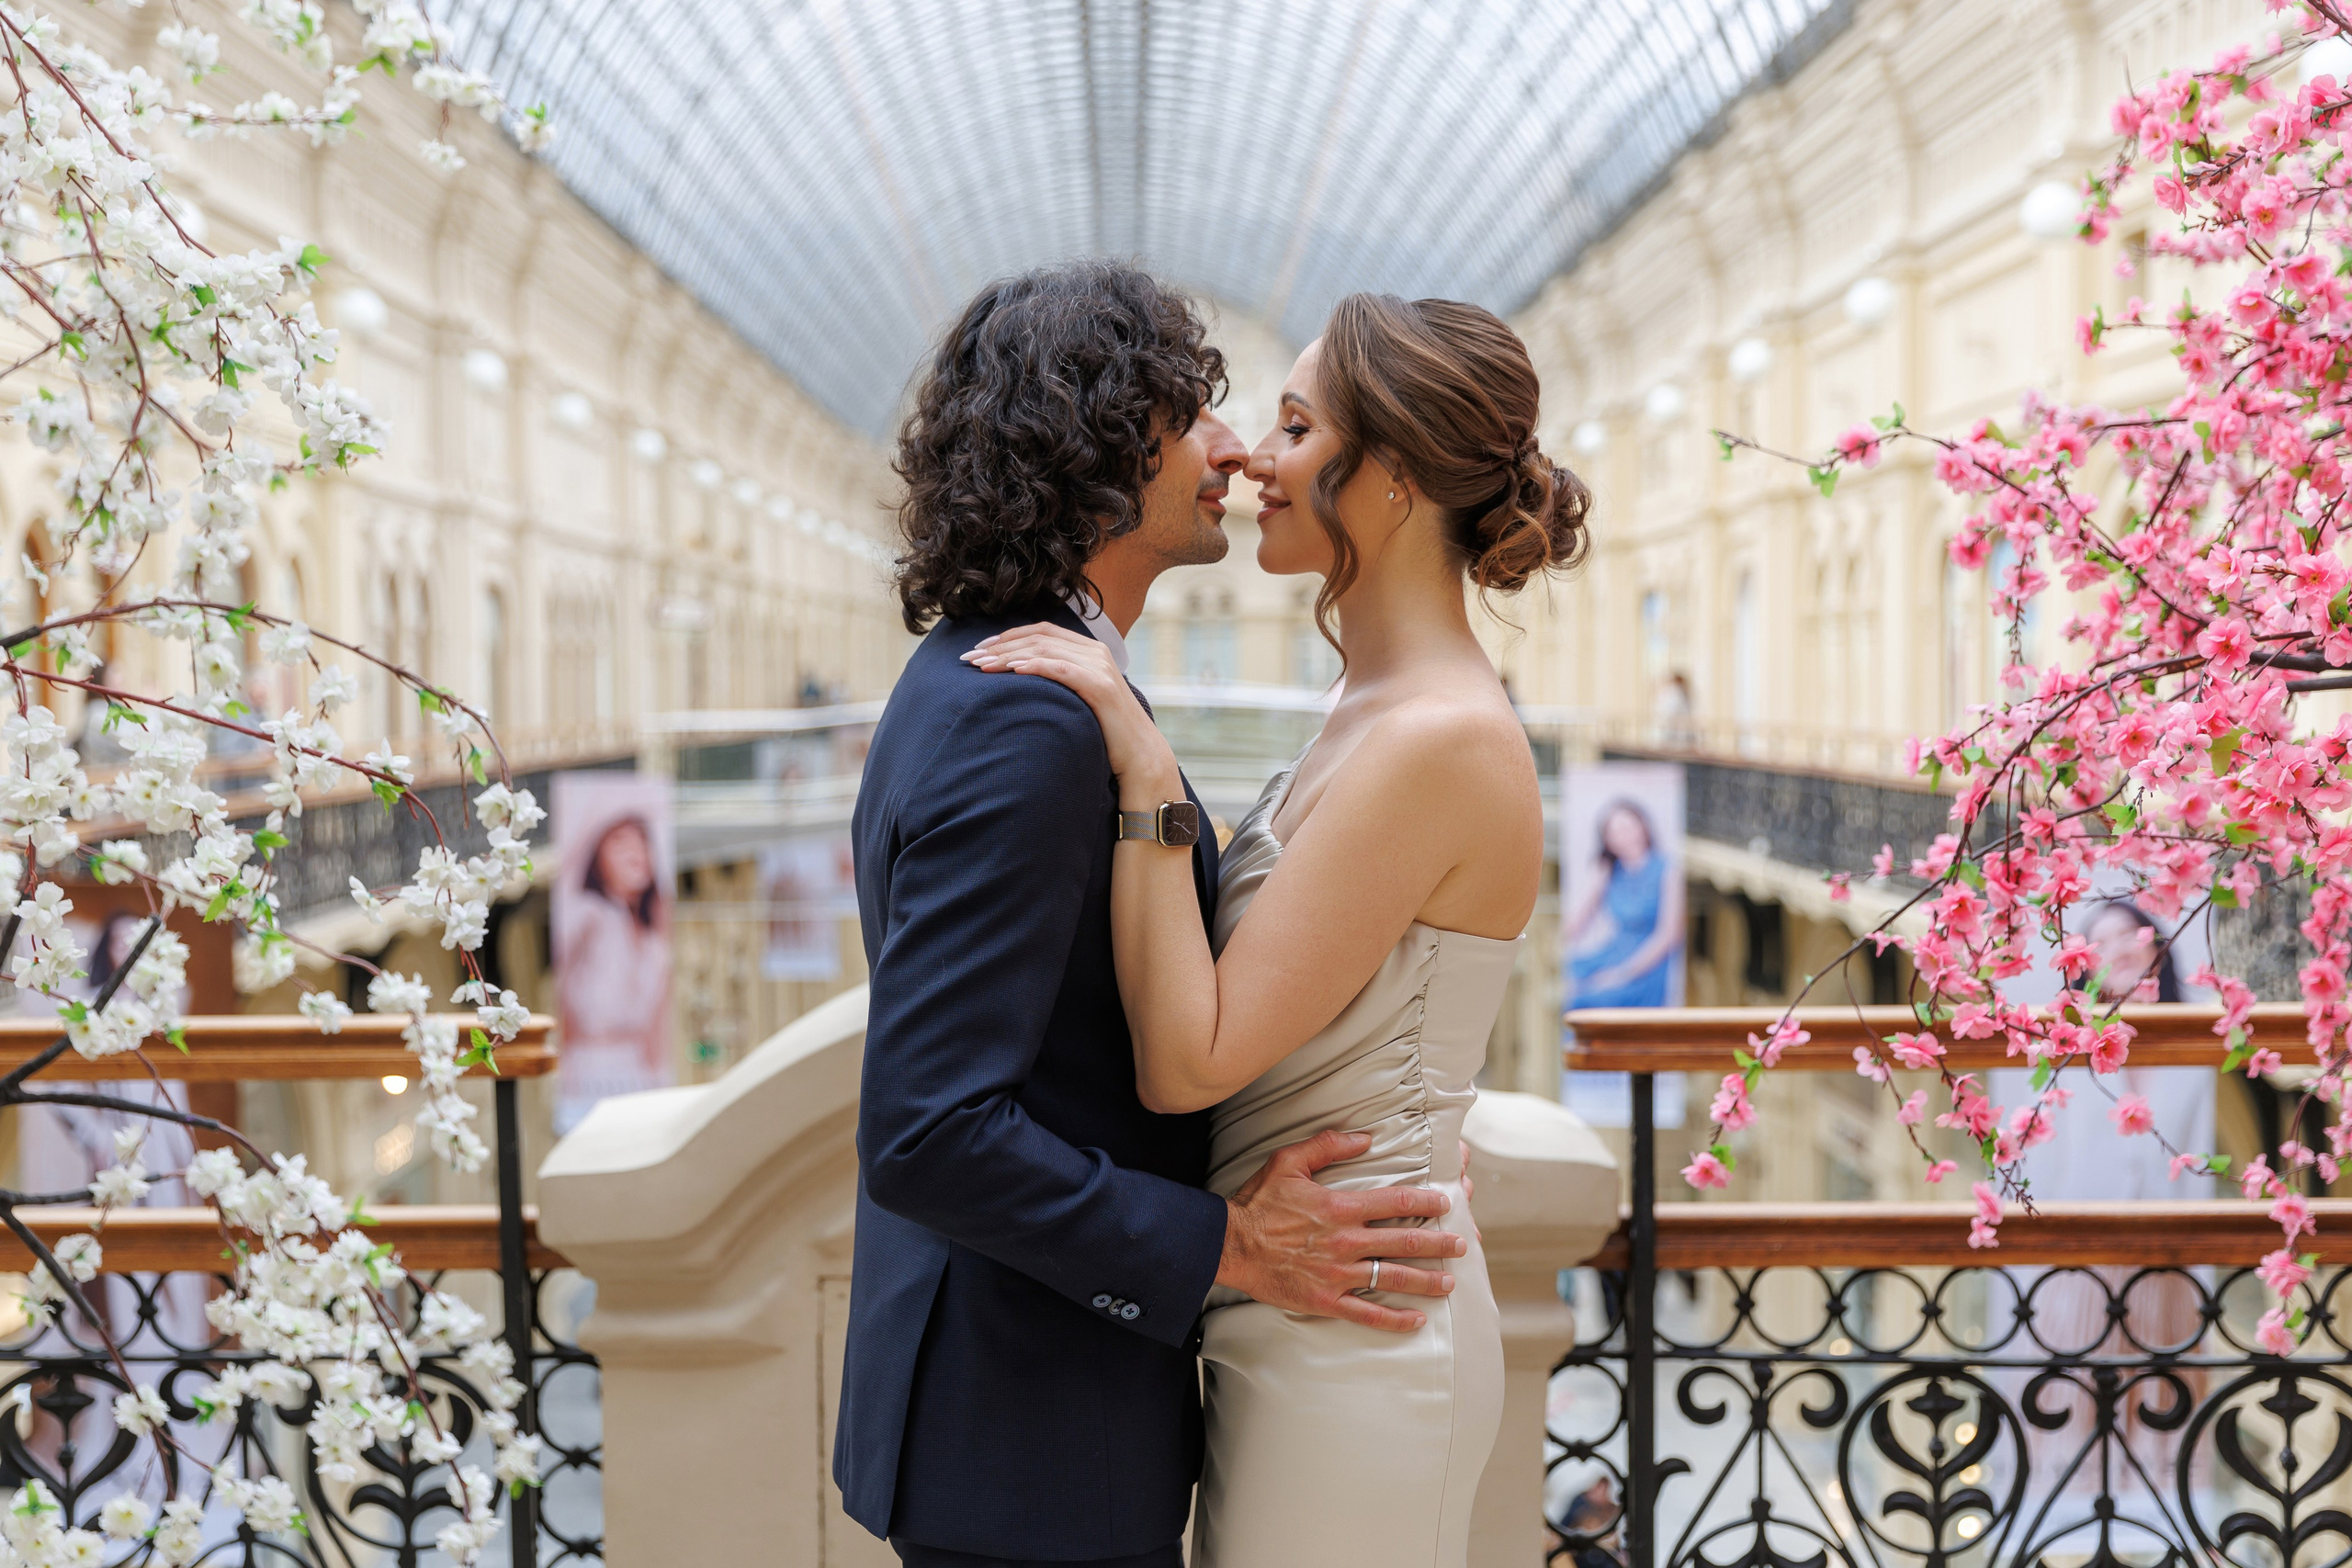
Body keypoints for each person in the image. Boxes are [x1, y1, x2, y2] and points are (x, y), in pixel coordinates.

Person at [840, 264, 1464, 1568]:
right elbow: (929, 1129)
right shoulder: (1024, 718)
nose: (1232, 451)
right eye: (1191, 416)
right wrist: (1230, 1245)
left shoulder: (998, 678)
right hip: (1032, 1444)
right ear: (1093, 452)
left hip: (1019, 1423)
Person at [970, 292, 1588, 1566]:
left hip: (1361, 1338)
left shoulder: (1435, 738)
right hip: (1308, 1302)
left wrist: (1145, 769)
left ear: (1396, 475)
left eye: (1297, 427)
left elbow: (1189, 1059)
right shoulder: (1375, 705)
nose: (1254, 455)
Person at [551, 813, 671, 1129]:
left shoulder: (653, 937)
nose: (635, 852)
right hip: (590, 1068)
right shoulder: (590, 914)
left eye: (641, 842)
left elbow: (655, 1030)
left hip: (638, 1072)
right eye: (619, 843)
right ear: (597, 858)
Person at [1562, 799, 1684, 1008]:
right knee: (1565, 978)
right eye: (1614, 832)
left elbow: (1669, 935)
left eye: (1628, 827)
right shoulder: (1612, 873)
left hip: (1647, 963)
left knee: (1584, 1000)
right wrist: (1597, 883)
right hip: (1614, 951)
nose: (1623, 835)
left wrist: (1622, 974)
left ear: (1643, 827)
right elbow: (1572, 930)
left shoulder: (1667, 870)